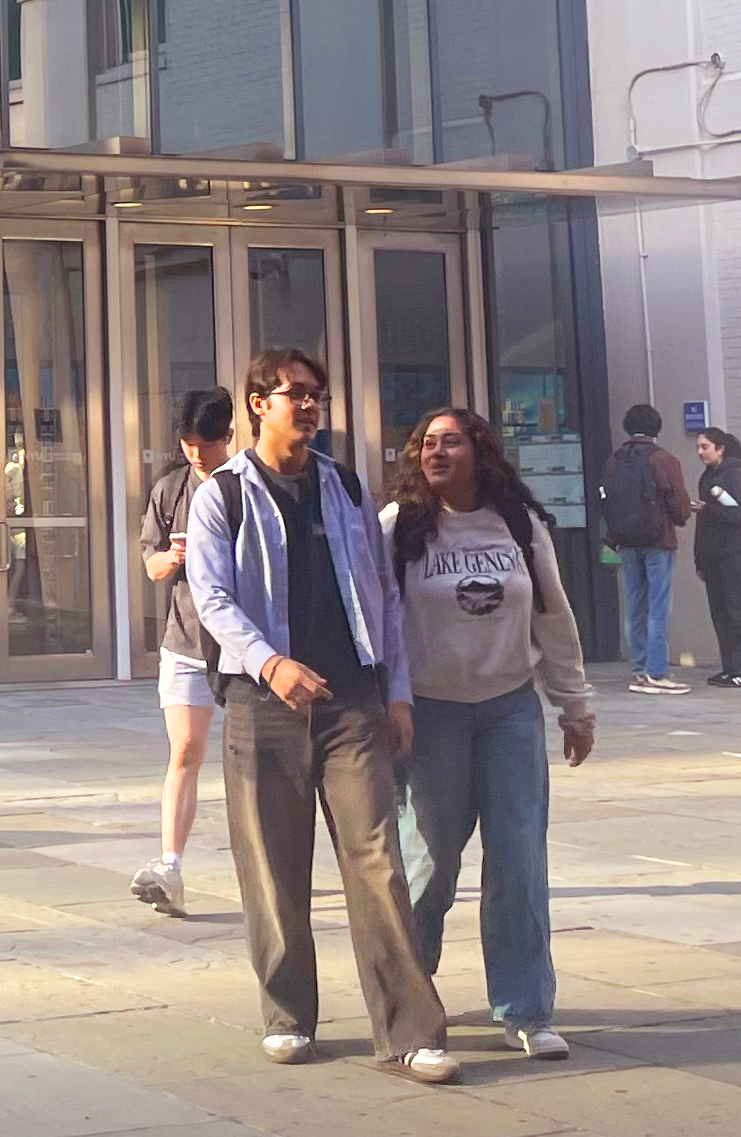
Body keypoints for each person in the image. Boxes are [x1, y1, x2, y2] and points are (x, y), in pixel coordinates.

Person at [187, 347, 457, 1084]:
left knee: (377, 863)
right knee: (273, 868)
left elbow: (381, 593)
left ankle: (409, 1028)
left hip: (351, 701)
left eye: (316, 396)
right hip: (261, 704)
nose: (308, 406)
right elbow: (211, 599)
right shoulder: (223, 495)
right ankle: (287, 1014)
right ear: (256, 403)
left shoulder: (342, 485)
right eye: (293, 394)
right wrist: (270, 663)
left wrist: (394, 689)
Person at [383, 406, 595, 1062]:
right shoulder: (399, 527)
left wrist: (573, 703)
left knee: (518, 859)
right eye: (424, 443)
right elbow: (377, 623)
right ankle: (411, 1007)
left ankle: (526, 1010)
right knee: (428, 865)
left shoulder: (517, 524)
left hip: (508, 710)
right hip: (429, 712)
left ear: (479, 450)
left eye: (449, 441)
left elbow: (551, 614)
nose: (434, 451)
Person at [130, 386, 237, 918]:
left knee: (264, 761)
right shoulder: (171, 489)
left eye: (208, 444)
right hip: (188, 640)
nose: (198, 454)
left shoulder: (249, 486)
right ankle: (169, 864)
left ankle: (276, 860)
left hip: (248, 647)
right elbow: (150, 566)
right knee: (185, 752)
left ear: (229, 438)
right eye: (189, 443)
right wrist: (173, 557)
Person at [602, 404, 694, 694]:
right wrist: (682, 516)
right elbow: (677, 503)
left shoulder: (615, 460)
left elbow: (605, 497)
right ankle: (657, 672)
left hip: (626, 540)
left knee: (634, 607)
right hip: (659, 540)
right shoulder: (663, 459)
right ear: (656, 428)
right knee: (658, 606)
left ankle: (639, 670)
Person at [692, 427, 741, 687]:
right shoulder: (707, 477)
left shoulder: (735, 475)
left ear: (720, 448)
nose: (700, 452)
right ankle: (731, 667)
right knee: (721, 612)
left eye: (705, 447)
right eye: (699, 447)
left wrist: (708, 509)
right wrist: (699, 558)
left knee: (740, 610)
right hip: (713, 555)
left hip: (735, 553)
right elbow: (703, 525)